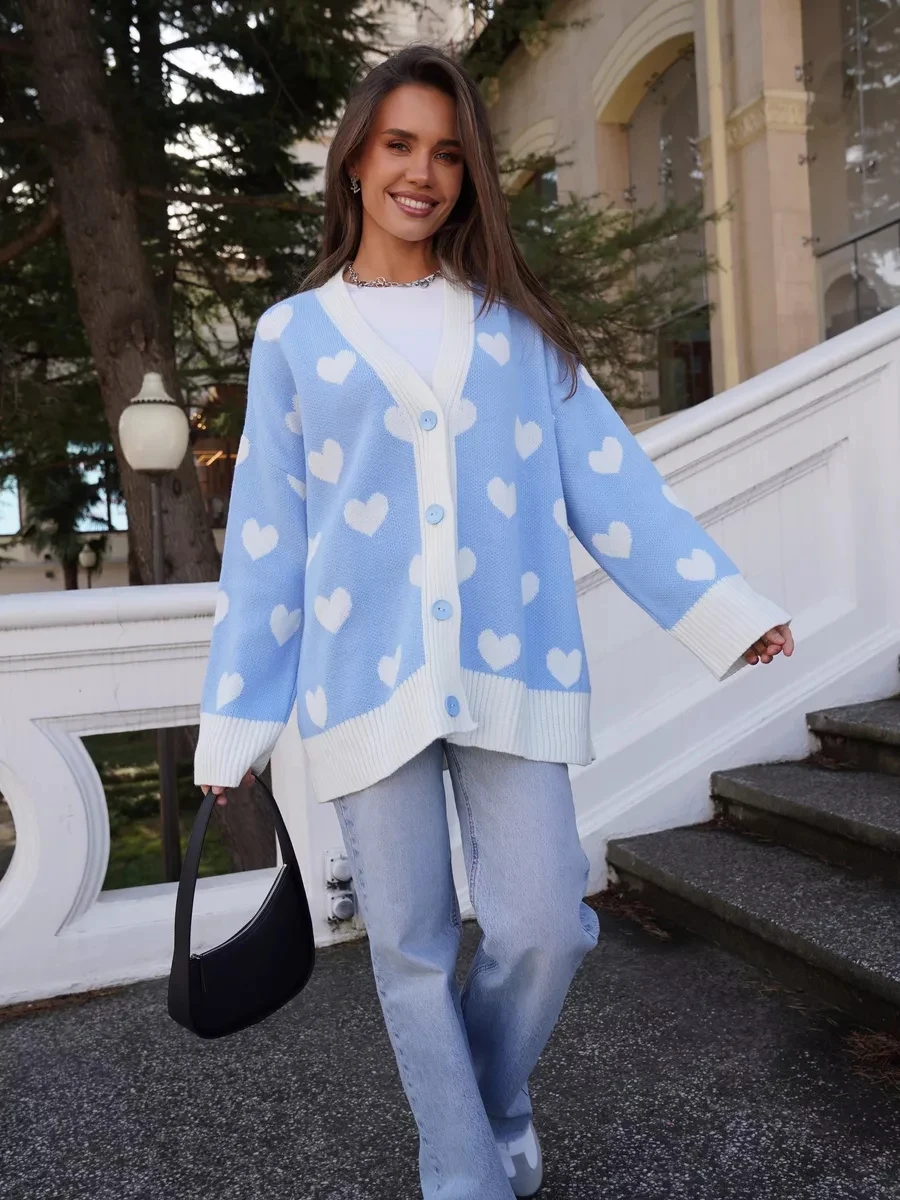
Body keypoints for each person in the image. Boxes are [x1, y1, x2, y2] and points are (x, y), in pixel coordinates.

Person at [195, 42, 794, 1200]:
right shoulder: (293, 338)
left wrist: (723, 608)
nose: (422, 173)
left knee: (545, 922)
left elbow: (614, 488)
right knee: (411, 951)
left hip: (511, 668)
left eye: (449, 154)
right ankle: (463, 1170)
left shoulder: (516, 329)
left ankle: (494, 1103)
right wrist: (235, 722)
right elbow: (267, 546)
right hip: (362, 682)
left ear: (469, 176)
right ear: (356, 160)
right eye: (400, 145)